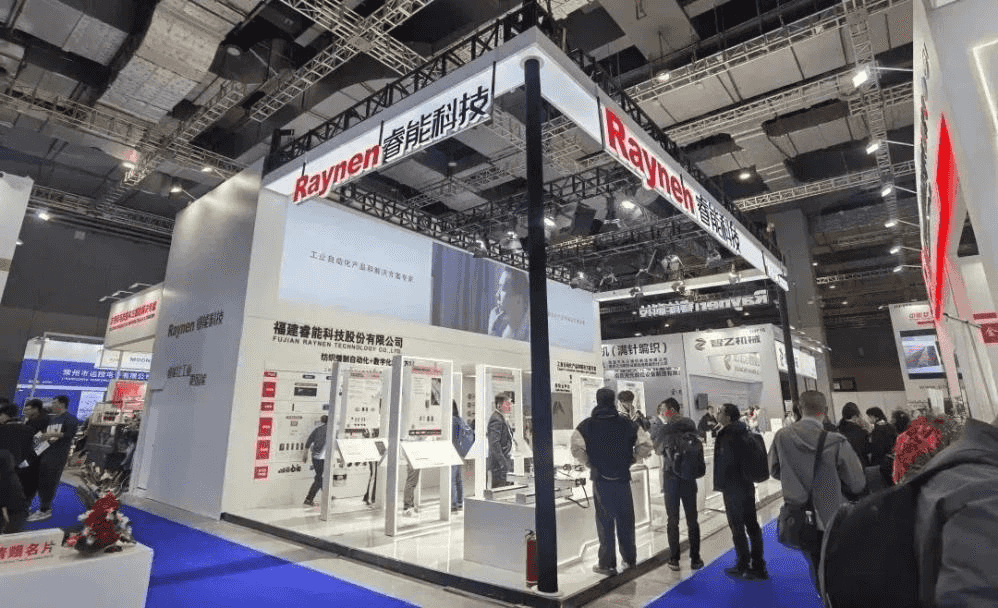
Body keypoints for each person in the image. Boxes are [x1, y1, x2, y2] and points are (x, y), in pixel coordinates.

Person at [769, 391, 865, 587]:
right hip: (833, 516)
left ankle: (822, 593)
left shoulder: (782, 437)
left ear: (799, 408)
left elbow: (774, 470)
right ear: (826, 410)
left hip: (800, 516)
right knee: (839, 568)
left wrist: (795, 479)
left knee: (815, 564)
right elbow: (857, 483)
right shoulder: (836, 441)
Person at [571, 388, 652, 576]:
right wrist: (632, 459)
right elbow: (646, 445)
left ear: (597, 401)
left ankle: (607, 564)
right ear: (614, 401)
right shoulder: (627, 424)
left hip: (600, 479)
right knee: (626, 520)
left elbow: (576, 448)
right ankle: (630, 560)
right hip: (622, 478)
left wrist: (589, 463)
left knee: (605, 522)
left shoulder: (586, 425)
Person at [714, 403, 768, 580]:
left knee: (737, 527)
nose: (717, 414)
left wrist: (722, 483)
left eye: (720, 412)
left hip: (733, 488)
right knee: (752, 525)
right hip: (747, 486)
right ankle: (758, 564)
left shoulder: (728, 435)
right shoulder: (744, 431)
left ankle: (742, 563)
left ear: (728, 417)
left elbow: (727, 463)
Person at [651, 397, 703, 571]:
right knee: (692, 519)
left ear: (672, 410)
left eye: (663, 410)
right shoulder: (690, 424)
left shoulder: (665, 429)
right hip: (689, 477)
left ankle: (674, 559)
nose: (662, 414)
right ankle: (695, 558)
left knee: (672, 520)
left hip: (671, 478)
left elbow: (657, 449)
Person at [26, 395, 78, 522]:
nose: (52, 405)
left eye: (54, 403)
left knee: (50, 481)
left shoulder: (70, 419)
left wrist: (53, 434)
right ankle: (37, 506)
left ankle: (45, 510)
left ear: (62, 404)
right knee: (41, 480)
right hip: (45, 453)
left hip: (57, 456)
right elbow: (45, 435)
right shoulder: (53, 419)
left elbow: (69, 435)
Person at [18, 399, 48, 510]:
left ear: (36, 409)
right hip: (26, 457)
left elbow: (41, 445)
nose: (25, 411)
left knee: (30, 483)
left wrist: (28, 461)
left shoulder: (43, 422)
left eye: (28, 409)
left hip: (34, 460)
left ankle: (26, 507)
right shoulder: (30, 420)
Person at [488, 267, 529, 340]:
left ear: (518, 298)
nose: (497, 294)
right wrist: (494, 333)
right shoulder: (497, 317)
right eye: (499, 287)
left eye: (503, 288)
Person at [487, 393, 514, 488]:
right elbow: (494, 444)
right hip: (500, 466)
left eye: (511, 403)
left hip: (506, 462)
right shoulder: (496, 419)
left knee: (508, 489)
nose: (510, 406)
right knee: (501, 490)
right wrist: (503, 464)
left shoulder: (502, 417)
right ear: (499, 405)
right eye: (507, 404)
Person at [302, 415, 328, 507]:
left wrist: (305, 454)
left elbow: (308, 441)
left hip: (315, 457)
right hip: (323, 457)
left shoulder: (317, 429)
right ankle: (309, 499)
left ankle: (327, 495)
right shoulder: (331, 430)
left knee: (320, 477)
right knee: (320, 477)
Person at [0, 449, 28, 534]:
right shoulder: (11, 476)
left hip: (15, 511)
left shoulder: (9, 481)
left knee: (13, 530)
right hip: (16, 509)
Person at [451, 400, 470, 512]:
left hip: (452, 452)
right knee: (458, 479)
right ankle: (459, 502)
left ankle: (453, 504)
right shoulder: (459, 419)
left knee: (452, 479)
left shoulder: (452, 421)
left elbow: (452, 438)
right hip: (460, 452)